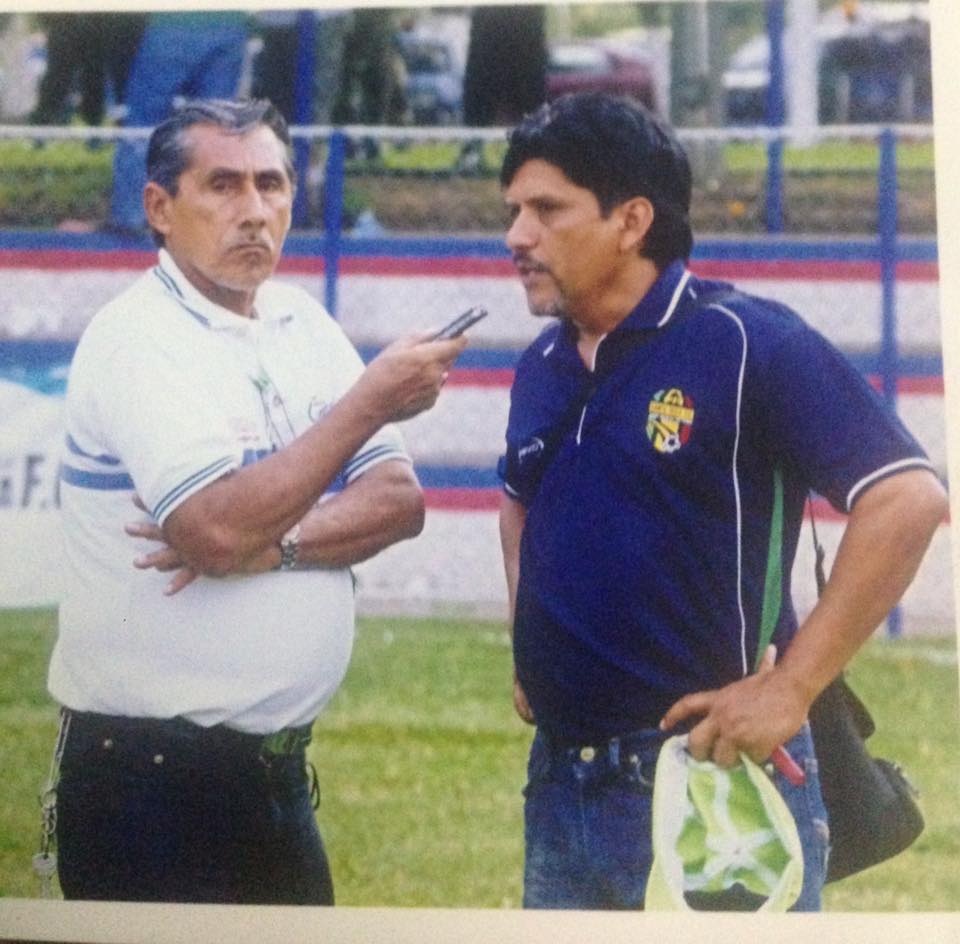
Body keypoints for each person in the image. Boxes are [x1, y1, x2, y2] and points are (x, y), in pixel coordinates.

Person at [496, 92, 947, 912]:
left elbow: (908, 499)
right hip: (562, 783)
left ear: (631, 220)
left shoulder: (748, 341)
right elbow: (519, 498)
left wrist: (791, 688)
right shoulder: (543, 362)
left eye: (545, 209)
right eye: (514, 210)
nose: (516, 235)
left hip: (710, 778)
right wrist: (528, 636)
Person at [49, 98, 467, 904]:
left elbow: (397, 501)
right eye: (224, 186)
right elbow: (210, 530)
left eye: (272, 185)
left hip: (274, 777)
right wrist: (365, 406)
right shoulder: (139, 338)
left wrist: (272, 543)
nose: (254, 212)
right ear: (159, 209)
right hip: (151, 784)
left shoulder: (300, 321)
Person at [109, 12, 250, 234]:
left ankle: (131, 217)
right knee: (214, 126)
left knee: (145, 120)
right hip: (227, 22)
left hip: (175, 22)